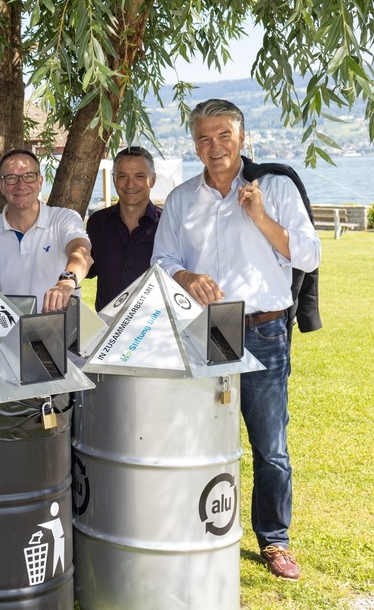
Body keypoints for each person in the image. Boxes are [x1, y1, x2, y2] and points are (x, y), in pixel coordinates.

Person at [152, 99, 321, 581]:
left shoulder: (276, 187)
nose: (215, 146)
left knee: (270, 444)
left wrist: (262, 217)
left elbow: (308, 255)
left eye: (224, 135)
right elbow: (160, 261)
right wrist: (187, 276)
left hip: (265, 330)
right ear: (195, 144)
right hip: (207, 331)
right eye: (204, 138)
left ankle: (275, 540)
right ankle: (196, 526)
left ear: (242, 138)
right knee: (198, 439)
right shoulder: (183, 198)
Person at [0, 148, 92, 313]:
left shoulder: (63, 219)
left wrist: (67, 281)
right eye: (11, 178)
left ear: (40, 182)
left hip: (62, 334)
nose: (21, 185)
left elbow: (82, 252)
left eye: (29, 176)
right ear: (1, 186)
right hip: (9, 336)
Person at [85, 146, 162, 310]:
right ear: (114, 179)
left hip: (153, 329)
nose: (130, 184)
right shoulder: (97, 223)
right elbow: (86, 267)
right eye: (122, 176)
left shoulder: (167, 225)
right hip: (107, 330)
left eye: (139, 176)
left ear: (153, 180)